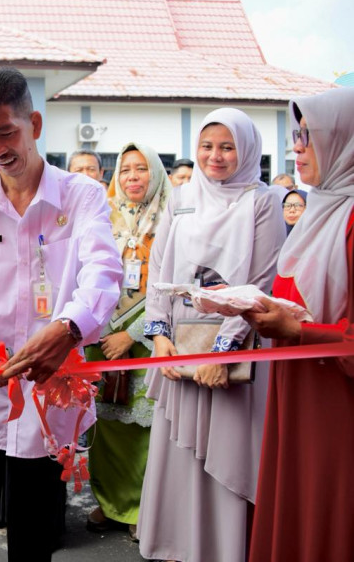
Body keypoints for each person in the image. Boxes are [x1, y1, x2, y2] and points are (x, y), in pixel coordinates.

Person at [0, 67, 122, 562]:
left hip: (50, 397)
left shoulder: (81, 197)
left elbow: (103, 274)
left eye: (6, 131)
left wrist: (69, 328)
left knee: (36, 537)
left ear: (34, 124)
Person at [137, 108, 285, 562]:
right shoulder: (182, 198)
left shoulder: (262, 202)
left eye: (227, 147)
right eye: (207, 146)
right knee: (178, 447)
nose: (215, 156)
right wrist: (159, 335)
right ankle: (178, 545)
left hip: (230, 351)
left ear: (247, 151)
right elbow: (159, 269)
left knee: (226, 446)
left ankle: (225, 549)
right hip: (179, 345)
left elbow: (261, 282)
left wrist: (222, 351)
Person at [245, 87, 354, 562]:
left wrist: (298, 333)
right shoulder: (319, 212)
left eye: (309, 136)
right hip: (296, 389)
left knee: (327, 512)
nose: (297, 147)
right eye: (296, 135)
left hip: (336, 406)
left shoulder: (347, 220)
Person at [84, 144, 170, 541]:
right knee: (104, 424)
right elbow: (87, 270)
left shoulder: (169, 218)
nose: (133, 177)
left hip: (148, 337)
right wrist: (101, 330)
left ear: (155, 173)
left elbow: (171, 284)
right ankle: (110, 501)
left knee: (144, 430)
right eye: (126, 170)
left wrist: (132, 334)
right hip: (101, 331)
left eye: (142, 170)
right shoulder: (102, 213)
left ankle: (142, 507)